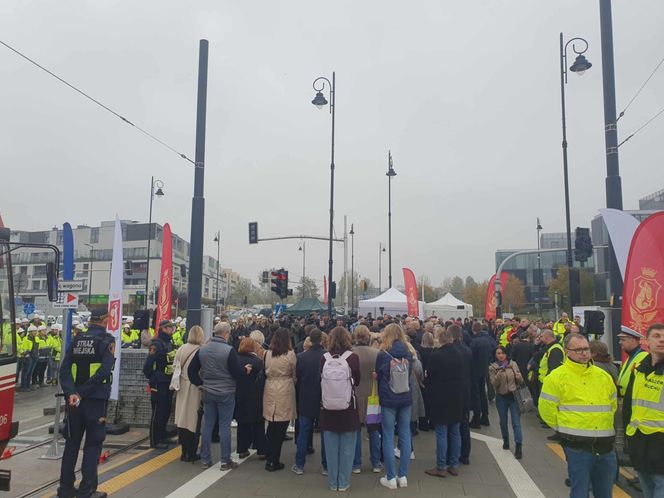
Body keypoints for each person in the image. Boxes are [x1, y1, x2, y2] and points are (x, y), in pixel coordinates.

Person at [539, 334, 617, 498]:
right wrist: (565, 431)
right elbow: (546, 410)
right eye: (578, 349)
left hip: (605, 447)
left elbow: (612, 406)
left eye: (586, 349)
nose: (584, 353)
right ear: (567, 352)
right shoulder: (556, 377)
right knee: (579, 492)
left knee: (605, 494)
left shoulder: (602, 376)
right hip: (577, 447)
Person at [57, 308, 115, 498]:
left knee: (71, 443)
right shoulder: (106, 340)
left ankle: (65, 489)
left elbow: (64, 369)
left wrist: (72, 393)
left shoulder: (77, 339)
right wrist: (81, 393)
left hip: (74, 402)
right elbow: (104, 371)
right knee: (93, 443)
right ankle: (87, 489)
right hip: (95, 400)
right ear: (105, 320)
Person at [188, 321, 248, 470]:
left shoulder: (202, 350)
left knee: (207, 425)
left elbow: (191, 371)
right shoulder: (229, 351)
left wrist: (200, 383)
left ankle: (205, 459)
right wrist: (245, 370)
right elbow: (237, 373)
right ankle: (225, 460)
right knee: (224, 426)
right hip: (226, 393)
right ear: (226, 334)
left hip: (208, 392)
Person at [623, 323, 664, 498]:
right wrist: (627, 434)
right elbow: (629, 404)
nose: (662, 340)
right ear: (647, 341)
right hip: (639, 439)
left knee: (660, 484)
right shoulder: (640, 368)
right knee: (646, 483)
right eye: (656, 336)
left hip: (660, 441)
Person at [319, 327, 361, 491]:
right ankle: (343, 482)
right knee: (347, 448)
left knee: (331, 448)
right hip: (348, 407)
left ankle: (332, 482)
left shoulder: (324, 358)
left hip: (328, 408)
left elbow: (320, 380)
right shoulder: (353, 358)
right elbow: (356, 381)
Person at [376, 323, 413, 490]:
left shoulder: (383, 354)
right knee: (405, 434)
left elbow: (379, 374)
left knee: (388, 435)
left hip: (389, 398)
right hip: (405, 397)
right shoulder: (408, 353)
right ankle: (403, 475)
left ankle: (390, 477)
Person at [425, 327, 464, 478]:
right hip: (456, 397)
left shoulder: (437, 355)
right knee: (455, 432)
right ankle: (454, 465)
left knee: (441, 433)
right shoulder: (460, 353)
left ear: (440, 340)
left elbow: (430, 377)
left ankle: (441, 466)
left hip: (441, 398)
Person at [263, 327, 297, 471]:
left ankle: (270, 457)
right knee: (281, 426)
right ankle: (274, 460)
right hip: (285, 387)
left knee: (271, 424)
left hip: (270, 386)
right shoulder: (290, 355)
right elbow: (294, 374)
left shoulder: (268, 354)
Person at [293, 328, 326, 475]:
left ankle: (299, 464)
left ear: (310, 340)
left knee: (303, 432)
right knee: (325, 433)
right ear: (322, 340)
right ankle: (325, 465)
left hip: (306, 397)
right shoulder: (327, 356)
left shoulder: (301, 357)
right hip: (323, 398)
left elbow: (298, 377)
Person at [351, 325, 381, 473]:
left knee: (355, 429)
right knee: (374, 430)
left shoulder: (350, 353)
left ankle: (356, 464)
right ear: (368, 336)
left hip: (355, 394)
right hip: (373, 395)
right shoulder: (376, 353)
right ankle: (376, 463)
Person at [143, 319, 176, 448]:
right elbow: (148, 366)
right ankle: (155, 440)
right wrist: (154, 378)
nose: (171, 330)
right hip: (158, 383)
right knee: (158, 412)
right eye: (169, 328)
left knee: (166, 410)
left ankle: (162, 436)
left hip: (167, 382)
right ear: (163, 329)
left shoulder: (169, 343)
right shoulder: (156, 345)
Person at [173, 325, 204, 462]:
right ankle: (192, 452)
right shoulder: (201, 350)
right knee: (193, 420)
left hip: (181, 386)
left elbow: (175, 366)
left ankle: (183, 452)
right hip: (194, 388)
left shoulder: (181, 348)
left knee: (182, 419)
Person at [235, 336, 267, 460]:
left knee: (242, 424)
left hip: (240, 395)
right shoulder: (258, 362)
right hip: (256, 396)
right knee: (258, 423)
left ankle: (242, 449)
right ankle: (262, 451)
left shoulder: (236, 360)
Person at [488, 346, 523, 459]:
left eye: (503, 353)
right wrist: (498, 376)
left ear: (506, 354)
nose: (501, 355)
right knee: (503, 421)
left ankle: (518, 446)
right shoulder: (493, 367)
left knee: (516, 422)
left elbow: (520, 380)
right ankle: (506, 440)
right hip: (501, 397)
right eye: (498, 353)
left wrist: (519, 377)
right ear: (495, 355)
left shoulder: (513, 364)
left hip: (514, 396)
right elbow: (493, 383)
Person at [448, 324, 472, 464]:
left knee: (452, 426)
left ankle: (452, 454)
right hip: (465, 391)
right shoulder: (467, 350)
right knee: (464, 424)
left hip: (452, 392)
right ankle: (465, 455)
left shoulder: (450, 351)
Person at [469, 321, 496, 428]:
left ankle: (476, 418)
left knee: (476, 394)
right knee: (482, 393)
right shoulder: (488, 340)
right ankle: (485, 416)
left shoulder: (474, 342)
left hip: (475, 370)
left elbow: (470, 356)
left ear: (473, 329)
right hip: (485, 368)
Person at [617, 326, 649, 397]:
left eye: (623, 340)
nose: (620, 342)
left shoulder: (644, 357)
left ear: (632, 341)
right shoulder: (631, 356)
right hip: (625, 397)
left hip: (633, 399)